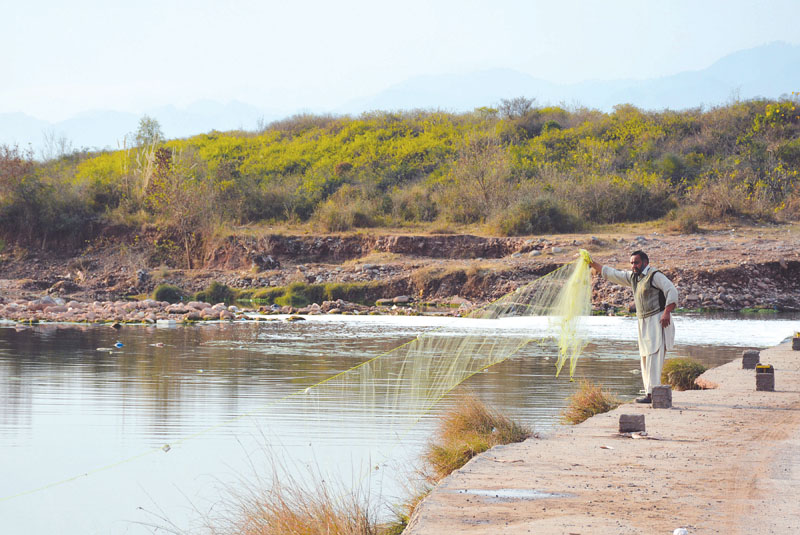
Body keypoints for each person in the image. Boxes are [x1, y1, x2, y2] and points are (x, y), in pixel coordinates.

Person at [588, 250, 678, 403]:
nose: (633, 266)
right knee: (645, 358)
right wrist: (592, 263)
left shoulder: (655, 276)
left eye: (636, 262)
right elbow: (613, 274)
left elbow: (671, 290)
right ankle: (649, 393)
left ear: (645, 262)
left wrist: (667, 312)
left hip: (658, 320)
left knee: (654, 357)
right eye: (631, 263)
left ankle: (653, 394)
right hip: (643, 322)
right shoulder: (633, 277)